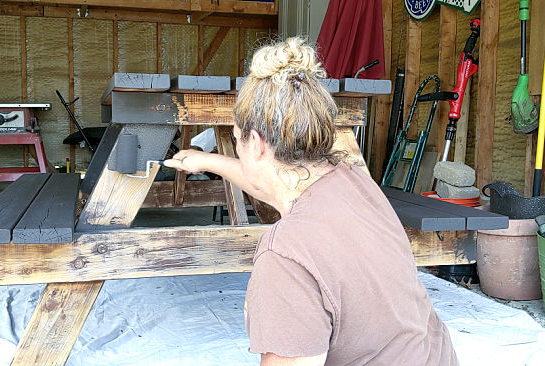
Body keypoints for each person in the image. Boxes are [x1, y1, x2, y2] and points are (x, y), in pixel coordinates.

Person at [164, 37, 459, 366]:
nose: (237, 147)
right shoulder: (352, 178)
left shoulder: (286, 257)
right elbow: (272, 184)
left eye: (236, 139)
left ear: (257, 144)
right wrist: (205, 162)